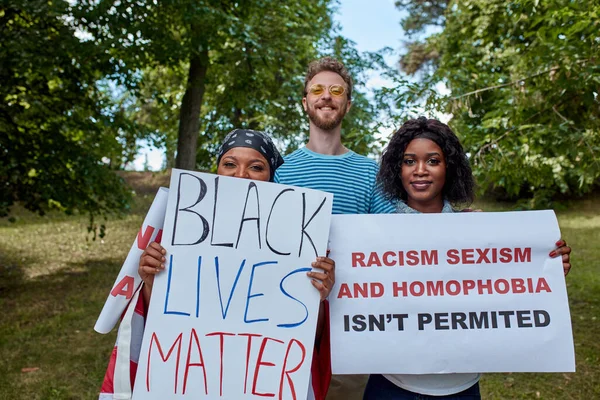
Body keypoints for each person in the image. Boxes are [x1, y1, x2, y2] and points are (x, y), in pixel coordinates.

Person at [100, 129, 336, 400]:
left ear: (270, 177)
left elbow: (306, 337)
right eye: (230, 164)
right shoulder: (180, 231)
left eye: (256, 167)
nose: (241, 175)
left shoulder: (297, 244)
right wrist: (152, 282)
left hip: (261, 378)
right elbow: (160, 321)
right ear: (217, 170)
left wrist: (317, 296)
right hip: (192, 375)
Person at [364, 116, 572, 399]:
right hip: (390, 386)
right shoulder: (372, 237)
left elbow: (505, 290)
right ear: (397, 169)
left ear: (449, 168)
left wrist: (544, 268)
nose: (420, 170)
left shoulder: (479, 230)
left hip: (460, 389)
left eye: (433, 161)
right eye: (409, 161)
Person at [274, 57, 396, 399]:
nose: (326, 96)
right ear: (305, 102)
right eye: (317, 89)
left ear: (347, 103)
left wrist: (460, 224)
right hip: (288, 320)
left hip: (351, 324)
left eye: (336, 90)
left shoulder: (372, 172)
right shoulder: (281, 172)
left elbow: (398, 240)